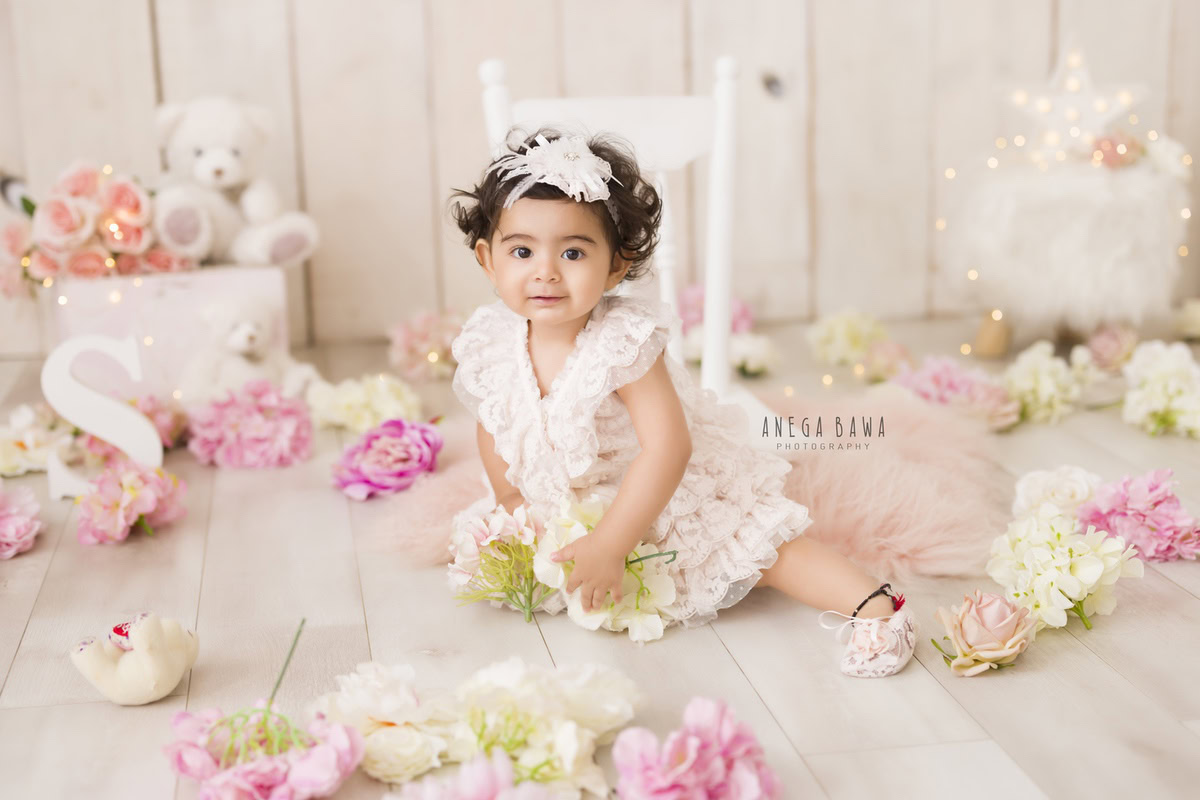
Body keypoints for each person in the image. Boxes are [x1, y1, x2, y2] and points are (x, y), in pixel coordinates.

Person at [448, 129, 917, 677]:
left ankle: (879, 610)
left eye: (573, 252)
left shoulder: (621, 340)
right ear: (488, 260)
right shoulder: (493, 340)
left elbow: (668, 446)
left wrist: (614, 540)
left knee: (761, 549)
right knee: (497, 560)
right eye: (522, 251)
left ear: (617, 266)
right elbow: (497, 419)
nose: (546, 271)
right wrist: (508, 495)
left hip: (657, 490)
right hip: (568, 499)